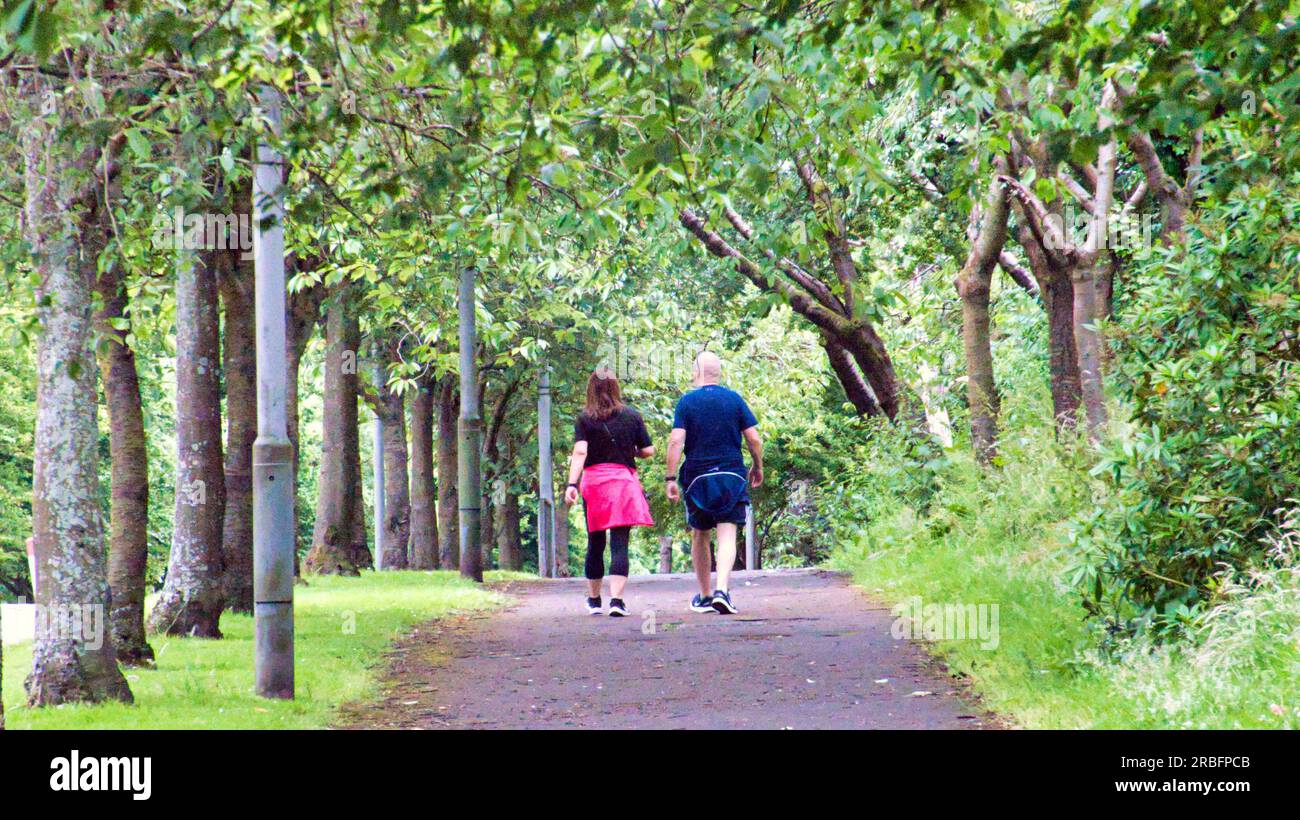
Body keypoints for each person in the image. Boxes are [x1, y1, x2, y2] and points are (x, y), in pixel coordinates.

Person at [665, 351, 763, 614]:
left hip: (697, 477)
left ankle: (705, 595)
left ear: (696, 373)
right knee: (727, 532)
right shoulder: (733, 399)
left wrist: (670, 477)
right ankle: (723, 589)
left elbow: (676, 441)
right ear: (718, 373)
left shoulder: (686, 403)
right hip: (731, 474)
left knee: (700, 532)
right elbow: (754, 439)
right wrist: (757, 466)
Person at [564, 367, 655, 616]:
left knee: (595, 540)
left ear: (590, 390)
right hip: (623, 483)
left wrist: (572, 484)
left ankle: (594, 601)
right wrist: (630, 450)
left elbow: (581, 452)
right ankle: (617, 601)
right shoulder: (632, 416)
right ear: (615, 388)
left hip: (595, 484)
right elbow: (648, 450)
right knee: (620, 542)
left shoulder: (584, 419)